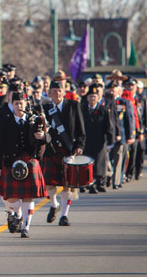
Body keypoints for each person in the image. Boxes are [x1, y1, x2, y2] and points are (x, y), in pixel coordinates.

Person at [0, 91, 48, 238]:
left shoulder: (34, 120)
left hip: (30, 161)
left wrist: (43, 137)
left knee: (28, 197)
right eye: (16, 103)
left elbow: (47, 138)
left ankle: (26, 227)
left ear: (26, 104)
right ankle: (18, 213)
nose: (19, 105)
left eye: (21, 103)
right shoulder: (6, 121)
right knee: (11, 198)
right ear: (12, 105)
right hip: (10, 162)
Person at [42, 80, 86, 226]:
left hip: (68, 150)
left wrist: (79, 145)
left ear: (64, 92)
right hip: (50, 150)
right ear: (49, 93)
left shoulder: (73, 106)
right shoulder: (44, 108)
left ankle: (64, 215)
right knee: (49, 184)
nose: (57, 93)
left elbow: (81, 130)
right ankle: (54, 204)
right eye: (54, 91)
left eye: (59, 90)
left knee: (67, 185)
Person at [82, 84, 115, 193]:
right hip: (86, 141)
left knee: (100, 164)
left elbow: (109, 126)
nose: (92, 99)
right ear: (87, 98)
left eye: (94, 97)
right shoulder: (82, 110)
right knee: (87, 163)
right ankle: (88, 184)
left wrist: (111, 141)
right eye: (90, 97)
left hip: (100, 141)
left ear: (98, 98)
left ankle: (99, 183)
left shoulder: (103, 110)